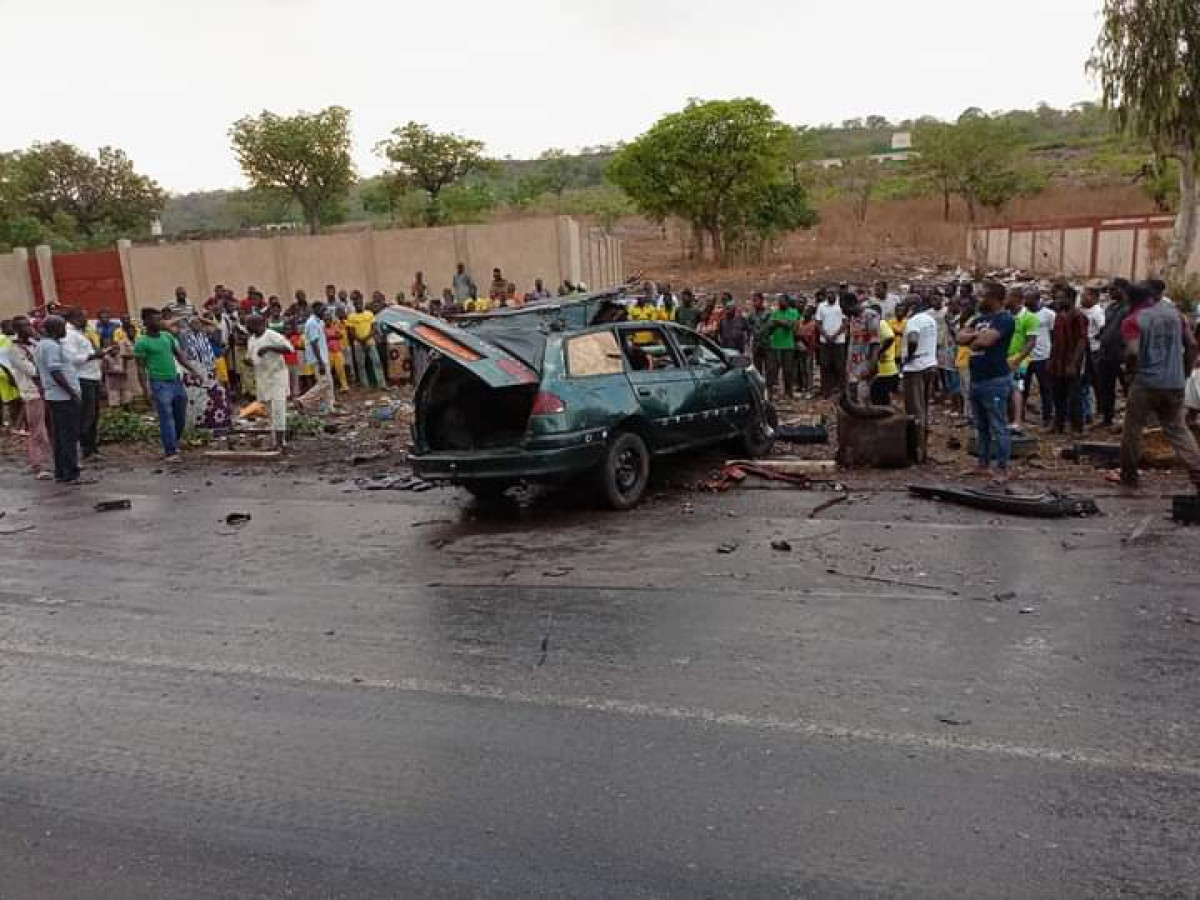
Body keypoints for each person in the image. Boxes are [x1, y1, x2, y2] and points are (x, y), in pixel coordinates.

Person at [1108, 282, 1200, 491]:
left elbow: (1133, 352)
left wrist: (1130, 372)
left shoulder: (1133, 320)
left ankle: (1129, 476)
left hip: (1147, 382)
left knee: (1133, 429)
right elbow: (1192, 345)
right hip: (1175, 382)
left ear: (1131, 300)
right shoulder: (1176, 315)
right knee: (1178, 429)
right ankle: (1197, 471)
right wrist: (1184, 371)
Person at [957, 281, 1016, 481]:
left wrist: (973, 338)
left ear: (994, 298)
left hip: (995, 380)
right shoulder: (979, 319)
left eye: (983, 296)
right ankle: (983, 465)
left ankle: (1002, 469)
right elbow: (959, 337)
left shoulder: (1005, 319)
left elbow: (984, 342)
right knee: (981, 426)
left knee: (998, 426)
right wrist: (976, 335)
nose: (979, 299)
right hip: (977, 379)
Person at [35, 315, 86, 483]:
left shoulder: (45, 344)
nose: (65, 330)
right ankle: (71, 473)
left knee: (61, 435)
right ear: (54, 328)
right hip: (62, 397)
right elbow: (55, 372)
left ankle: (61, 472)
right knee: (68, 436)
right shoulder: (50, 346)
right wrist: (72, 393)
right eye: (62, 327)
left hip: (56, 396)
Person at [63, 308, 112, 461]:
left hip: (92, 377)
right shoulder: (69, 335)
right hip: (83, 378)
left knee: (94, 415)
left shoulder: (80, 333)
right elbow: (72, 359)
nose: (87, 320)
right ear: (75, 318)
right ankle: (86, 449)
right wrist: (94, 355)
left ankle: (92, 447)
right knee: (87, 416)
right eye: (84, 317)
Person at [8, 316, 52, 479]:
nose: (29, 328)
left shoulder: (34, 344)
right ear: (17, 330)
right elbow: (33, 371)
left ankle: (53, 460)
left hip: (47, 391)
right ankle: (38, 465)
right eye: (24, 326)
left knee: (51, 428)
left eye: (29, 325)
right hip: (32, 392)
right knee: (37, 430)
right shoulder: (14, 349)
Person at [246, 314, 294, 450]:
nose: (247, 327)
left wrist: (269, 348)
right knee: (271, 412)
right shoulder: (251, 340)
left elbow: (289, 349)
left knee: (279, 409)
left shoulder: (271, 335)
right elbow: (251, 358)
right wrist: (248, 362)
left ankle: (279, 443)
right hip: (263, 378)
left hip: (277, 377)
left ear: (259, 324)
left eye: (249, 324)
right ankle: (278, 442)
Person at [1046, 284, 1089, 435]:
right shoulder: (1059, 316)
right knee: (1057, 395)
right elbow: (1055, 339)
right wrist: (1051, 359)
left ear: (1070, 299)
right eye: (1056, 298)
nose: (1057, 301)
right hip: (1057, 362)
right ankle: (1058, 424)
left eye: (1061, 298)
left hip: (1071, 362)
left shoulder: (1078, 316)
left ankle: (1077, 427)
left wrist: (1074, 364)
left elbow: (1082, 341)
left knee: (1074, 396)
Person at [178, 314, 232, 430]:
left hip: (209, 369)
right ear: (189, 324)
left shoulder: (204, 333)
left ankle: (211, 422)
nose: (198, 325)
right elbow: (184, 354)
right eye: (194, 323)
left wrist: (201, 318)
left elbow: (217, 327)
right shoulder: (184, 335)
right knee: (197, 397)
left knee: (212, 396)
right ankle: (197, 423)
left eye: (199, 323)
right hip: (194, 370)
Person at [902, 295, 939, 457]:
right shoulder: (930, 320)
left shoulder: (914, 321)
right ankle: (923, 449)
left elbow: (913, 340)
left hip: (915, 368)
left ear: (912, 306)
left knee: (915, 410)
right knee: (924, 408)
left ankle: (916, 450)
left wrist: (908, 357)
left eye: (906, 306)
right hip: (930, 365)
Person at [1005, 288, 1039, 431]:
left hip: (1018, 359)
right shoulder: (1006, 316)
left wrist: (1018, 359)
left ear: (1016, 299)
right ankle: (1009, 419)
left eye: (1008, 297)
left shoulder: (1029, 317)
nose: (1005, 300)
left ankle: (1018, 421)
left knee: (1016, 389)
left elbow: (1031, 342)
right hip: (1003, 357)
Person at [1024, 288, 1057, 427]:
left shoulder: (1049, 314)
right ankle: (1020, 416)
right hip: (1025, 357)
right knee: (1022, 388)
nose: (1025, 301)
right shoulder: (1023, 314)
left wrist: (1052, 355)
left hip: (1043, 356)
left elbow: (1054, 335)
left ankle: (1047, 417)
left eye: (1028, 298)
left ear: (1037, 299)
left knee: (1046, 388)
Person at [295, 301, 335, 414]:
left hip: (323, 356)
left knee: (329, 384)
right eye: (323, 310)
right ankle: (302, 400)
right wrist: (320, 361)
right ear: (316, 310)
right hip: (318, 358)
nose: (325, 312)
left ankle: (330, 407)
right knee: (324, 383)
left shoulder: (319, 322)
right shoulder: (312, 323)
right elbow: (314, 343)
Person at [845, 293, 882, 405]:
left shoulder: (870, 315)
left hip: (866, 362)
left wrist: (872, 364)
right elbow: (853, 340)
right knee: (853, 395)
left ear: (852, 304)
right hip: (854, 363)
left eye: (844, 308)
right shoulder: (853, 317)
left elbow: (875, 342)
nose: (843, 312)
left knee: (864, 396)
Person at [1080, 285, 1106, 425]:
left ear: (1094, 297)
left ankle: (1100, 408)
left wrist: (1095, 338)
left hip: (1094, 350)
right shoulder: (1083, 310)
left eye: (1085, 296)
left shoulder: (1097, 311)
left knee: (1096, 380)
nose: (1082, 299)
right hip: (1085, 349)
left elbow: (1103, 328)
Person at [346, 292, 383, 389]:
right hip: (358, 344)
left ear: (362, 302)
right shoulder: (351, 316)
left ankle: (381, 384)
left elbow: (374, 328)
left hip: (370, 342)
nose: (358, 304)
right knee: (361, 365)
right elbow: (351, 332)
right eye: (356, 302)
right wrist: (361, 340)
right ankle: (365, 386)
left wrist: (365, 339)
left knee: (377, 362)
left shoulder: (369, 314)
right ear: (354, 304)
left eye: (359, 302)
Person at [815, 290, 847, 397]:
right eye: (828, 293)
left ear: (836, 294)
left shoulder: (842, 305)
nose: (830, 295)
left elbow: (845, 322)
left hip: (839, 341)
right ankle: (826, 390)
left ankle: (840, 390)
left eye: (832, 293)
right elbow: (818, 323)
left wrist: (835, 335)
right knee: (825, 366)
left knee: (839, 366)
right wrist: (826, 335)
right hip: (825, 341)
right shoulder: (821, 306)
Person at [767, 295, 799, 399]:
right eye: (779, 301)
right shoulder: (775, 312)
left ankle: (788, 392)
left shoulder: (793, 312)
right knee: (772, 370)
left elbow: (791, 325)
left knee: (788, 370)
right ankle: (771, 392)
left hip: (788, 345)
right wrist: (782, 322)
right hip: (775, 345)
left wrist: (778, 321)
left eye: (782, 301)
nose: (780, 303)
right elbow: (770, 325)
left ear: (787, 302)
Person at [746, 293, 773, 375]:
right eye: (753, 301)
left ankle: (769, 383)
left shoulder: (768, 313)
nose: (754, 303)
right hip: (756, 345)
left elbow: (770, 326)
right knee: (757, 369)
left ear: (761, 301)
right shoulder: (751, 315)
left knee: (769, 369)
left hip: (767, 344)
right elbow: (748, 326)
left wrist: (760, 331)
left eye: (755, 300)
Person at [326, 308, 349, 391]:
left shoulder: (334, 327)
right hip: (328, 352)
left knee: (340, 370)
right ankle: (329, 387)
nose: (328, 322)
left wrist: (331, 337)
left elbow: (341, 335)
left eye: (329, 320)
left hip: (337, 351)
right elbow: (325, 338)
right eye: (326, 320)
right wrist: (334, 337)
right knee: (328, 371)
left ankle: (344, 386)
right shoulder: (322, 328)